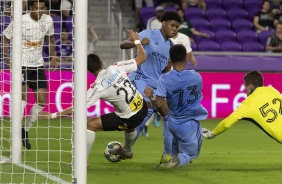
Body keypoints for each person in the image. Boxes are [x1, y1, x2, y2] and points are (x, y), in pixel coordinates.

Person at [40, 30, 148, 163]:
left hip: (130, 117)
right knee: (128, 123)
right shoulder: (116, 67)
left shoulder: (98, 87)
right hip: (143, 107)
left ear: (89, 71)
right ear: (102, 62)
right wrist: (136, 40)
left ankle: (81, 163)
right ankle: (126, 150)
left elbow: (77, 109)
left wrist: (52, 116)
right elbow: (142, 57)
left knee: (90, 125)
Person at [120, 11, 196, 163]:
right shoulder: (148, 33)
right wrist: (138, 43)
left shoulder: (171, 46)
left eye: (177, 27)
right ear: (164, 23)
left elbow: (166, 71)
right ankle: (126, 149)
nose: (175, 29)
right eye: (172, 25)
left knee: (168, 114)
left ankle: (166, 155)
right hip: (140, 78)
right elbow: (123, 44)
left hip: (156, 83)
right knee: (146, 110)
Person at [3, 0, 57, 150]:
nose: (39, 11)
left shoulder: (48, 20)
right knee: (23, 98)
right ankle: (15, 133)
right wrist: (8, 58)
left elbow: (50, 38)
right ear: (30, 8)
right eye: (36, 8)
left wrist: (53, 56)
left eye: (42, 8)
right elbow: (5, 38)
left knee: (41, 100)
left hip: (38, 64)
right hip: (21, 64)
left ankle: (24, 130)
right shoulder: (20, 21)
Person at [144, 44, 208, 168]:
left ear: (170, 60)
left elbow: (159, 103)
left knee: (175, 145)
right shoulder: (196, 77)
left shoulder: (164, 79)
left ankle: (168, 159)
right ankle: (175, 163)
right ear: (186, 59)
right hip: (189, 123)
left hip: (172, 123)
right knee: (191, 153)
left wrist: (151, 96)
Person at [202, 70, 282, 144]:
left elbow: (226, 123)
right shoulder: (272, 90)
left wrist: (213, 133)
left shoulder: (247, 105)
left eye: (245, 86)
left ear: (250, 86)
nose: (245, 90)